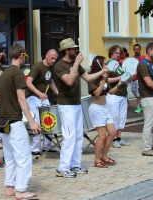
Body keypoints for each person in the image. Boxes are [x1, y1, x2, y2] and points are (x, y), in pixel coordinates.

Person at [53, 38, 108, 178]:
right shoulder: (60, 66)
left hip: (76, 104)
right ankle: (62, 168)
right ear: (67, 50)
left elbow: (88, 78)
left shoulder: (74, 63)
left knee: (78, 136)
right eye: (73, 49)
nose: (76, 51)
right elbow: (69, 81)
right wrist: (76, 63)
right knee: (69, 136)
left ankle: (75, 164)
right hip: (66, 106)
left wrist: (102, 74)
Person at [0, 44, 41, 199]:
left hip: (3, 121)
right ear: (22, 56)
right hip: (14, 121)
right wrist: (32, 121)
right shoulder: (16, 73)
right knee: (23, 156)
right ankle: (21, 190)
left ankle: (10, 187)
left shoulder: (4, 73)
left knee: (10, 157)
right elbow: (21, 98)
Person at [88, 56, 124, 168]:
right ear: (99, 65)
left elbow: (110, 92)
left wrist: (119, 84)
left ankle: (104, 156)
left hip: (105, 108)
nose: (106, 65)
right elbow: (97, 93)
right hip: (96, 108)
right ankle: (97, 160)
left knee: (112, 132)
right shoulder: (92, 78)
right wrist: (103, 80)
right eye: (104, 63)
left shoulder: (105, 76)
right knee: (102, 135)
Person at [25, 49, 59, 156]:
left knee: (49, 119)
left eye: (55, 59)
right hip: (32, 97)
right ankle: (34, 148)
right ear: (46, 56)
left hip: (43, 98)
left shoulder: (51, 67)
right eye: (52, 58)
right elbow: (28, 82)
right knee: (37, 121)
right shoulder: (37, 66)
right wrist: (39, 93)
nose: (54, 61)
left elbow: (50, 80)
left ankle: (47, 146)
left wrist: (58, 92)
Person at [106, 45, 130, 148]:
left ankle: (119, 137)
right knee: (114, 116)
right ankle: (113, 138)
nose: (118, 55)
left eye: (119, 53)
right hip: (113, 94)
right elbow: (106, 80)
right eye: (116, 53)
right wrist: (119, 78)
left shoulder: (120, 65)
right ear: (111, 53)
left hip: (123, 93)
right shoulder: (108, 65)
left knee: (122, 117)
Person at [131, 44, 145, 114]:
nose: (136, 50)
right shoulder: (131, 58)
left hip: (141, 78)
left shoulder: (143, 58)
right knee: (133, 91)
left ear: (140, 49)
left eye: (137, 49)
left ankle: (138, 106)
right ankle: (142, 104)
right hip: (133, 78)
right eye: (135, 49)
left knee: (138, 93)